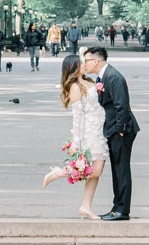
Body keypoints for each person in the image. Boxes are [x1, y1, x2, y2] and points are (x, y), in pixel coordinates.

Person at [41, 53, 109, 219]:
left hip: (101, 130)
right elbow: (77, 117)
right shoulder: (75, 87)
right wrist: (75, 142)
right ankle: (61, 172)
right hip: (90, 132)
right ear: (73, 68)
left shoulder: (91, 82)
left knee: (97, 171)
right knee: (95, 170)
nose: (85, 64)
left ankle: (85, 206)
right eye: (81, 63)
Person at [84, 46, 140, 221]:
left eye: (86, 61)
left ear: (96, 61)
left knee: (121, 169)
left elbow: (121, 105)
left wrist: (120, 130)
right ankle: (117, 207)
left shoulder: (113, 76)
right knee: (117, 170)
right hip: (113, 130)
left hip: (120, 131)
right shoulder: (104, 76)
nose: (84, 64)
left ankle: (122, 210)